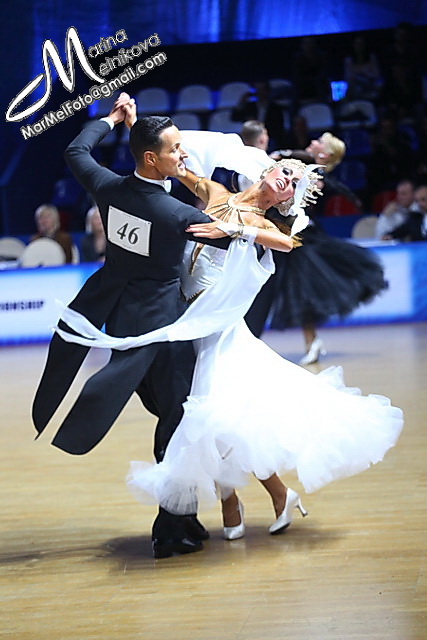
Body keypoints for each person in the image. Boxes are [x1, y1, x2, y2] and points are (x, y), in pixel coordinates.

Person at [57, 141, 403, 545]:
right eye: (286, 171)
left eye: (293, 184)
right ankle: (270, 496)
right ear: (268, 170)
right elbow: (177, 169)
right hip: (186, 321)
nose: (287, 180)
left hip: (219, 331)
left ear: (287, 200)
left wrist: (235, 230)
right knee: (216, 424)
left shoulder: (264, 225)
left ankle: (239, 501)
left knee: (216, 421)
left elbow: (288, 243)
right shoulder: (217, 194)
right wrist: (141, 133)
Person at [32, 93, 308, 559]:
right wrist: (237, 230)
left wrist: (116, 120)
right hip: (168, 327)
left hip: (125, 320)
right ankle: (174, 523)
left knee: (195, 417)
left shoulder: (108, 187)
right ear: (151, 158)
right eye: (175, 148)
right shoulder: (176, 213)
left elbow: (77, 150)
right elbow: (233, 228)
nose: (183, 154)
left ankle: (209, 511)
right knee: (182, 418)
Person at [245, 131, 385, 367]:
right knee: (280, 294)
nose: (312, 142)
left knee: (293, 295)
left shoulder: (315, 178)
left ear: (325, 154)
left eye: (318, 142)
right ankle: (304, 342)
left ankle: (303, 342)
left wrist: (282, 157)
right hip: (286, 238)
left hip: (300, 242)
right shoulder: (304, 168)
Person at [231, 81, 285, 149]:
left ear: (267, 91)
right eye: (258, 89)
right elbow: (234, 118)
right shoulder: (250, 106)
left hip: (269, 136)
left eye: (262, 89)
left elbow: (279, 128)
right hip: (251, 136)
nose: (260, 92)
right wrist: (242, 101)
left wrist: (264, 133)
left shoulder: (275, 108)